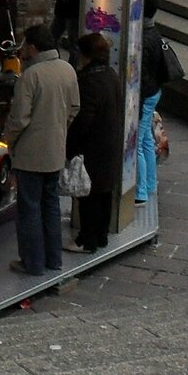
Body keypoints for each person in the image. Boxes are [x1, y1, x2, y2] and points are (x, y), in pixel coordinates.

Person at [1, 23, 79, 277]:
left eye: (25, 45)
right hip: (56, 150)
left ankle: (32, 262)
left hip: (30, 154)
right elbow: (74, 107)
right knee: (51, 205)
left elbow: (19, 118)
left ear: (33, 47)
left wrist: (8, 138)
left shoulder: (30, 76)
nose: (22, 50)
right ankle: (54, 259)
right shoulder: (67, 69)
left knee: (29, 210)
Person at [68, 32, 125, 252]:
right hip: (110, 143)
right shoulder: (111, 75)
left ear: (86, 55)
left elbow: (84, 120)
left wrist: (71, 146)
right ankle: (101, 235)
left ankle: (87, 240)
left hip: (93, 147)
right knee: (104, 192)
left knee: (88, 195)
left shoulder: (89, 82)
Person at [135, 0, 170, 205]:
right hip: (153, 91)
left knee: (137, 143)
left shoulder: (143, 39)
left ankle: (141, 190)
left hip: (145, 94)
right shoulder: (154, 33)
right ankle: (149, 184)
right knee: (146, 139)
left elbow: (142, 75)